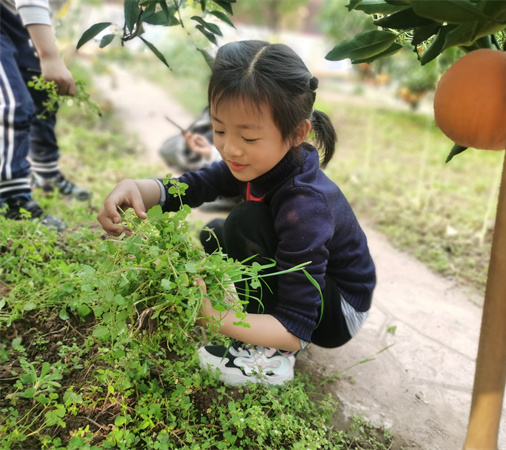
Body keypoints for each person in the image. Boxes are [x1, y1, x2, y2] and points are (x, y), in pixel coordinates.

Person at [97, 40, 377, 386]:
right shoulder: (258, 161)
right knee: (216, 231)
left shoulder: (305, 205)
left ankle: (274, 359)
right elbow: (194, 185)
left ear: (297, 133)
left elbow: (295, 328)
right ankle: (259, 326)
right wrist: (138, 189)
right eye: (220, 129)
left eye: (248, 136)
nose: (229, 147)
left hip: (339, 312)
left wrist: (214, 316)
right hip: (320, 290)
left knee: (244, 223)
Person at [0, 0, 91, 231]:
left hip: (15, 20)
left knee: (42, 93)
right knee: (13, 104)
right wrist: (49, 55)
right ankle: (11, 197)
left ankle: (46, 175)